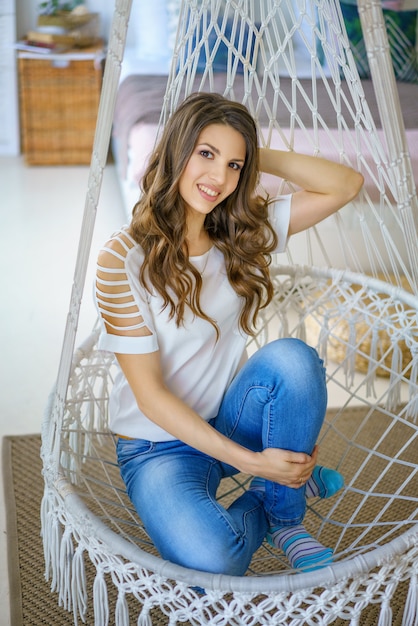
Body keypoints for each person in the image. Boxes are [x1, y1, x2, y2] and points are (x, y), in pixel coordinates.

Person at [95, 92, 363, 576]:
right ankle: (274, 491)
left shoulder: (239, 233)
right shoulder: (122, 259)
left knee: (292, 361)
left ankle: (285, 518)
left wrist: (256, 151)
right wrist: (256, 465)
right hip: (155, 446)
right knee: (214, 558)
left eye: (235, 165)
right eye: (206, 154)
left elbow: (345, 185)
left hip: (228, 418)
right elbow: (152, 399)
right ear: (177, 149)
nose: (218, 178)